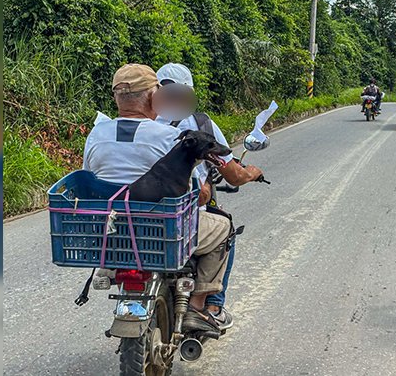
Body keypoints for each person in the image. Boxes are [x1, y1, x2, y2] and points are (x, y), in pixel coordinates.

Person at [83, 63, 232, 335]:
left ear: (117, 98)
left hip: (114, 232)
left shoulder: (96, 134)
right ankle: (198, 306)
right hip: (161, 231)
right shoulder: (170, 137)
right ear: (154, 97)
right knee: (224, 227)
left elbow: (88, 181)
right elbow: (199, 196)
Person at [153, 62, 263, 330]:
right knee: (225, 231)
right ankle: (207, 307)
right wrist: (252, 173)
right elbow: (233, 174)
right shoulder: (200, 123)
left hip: (136, 217)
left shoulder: (141, 122)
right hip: (184, 212)